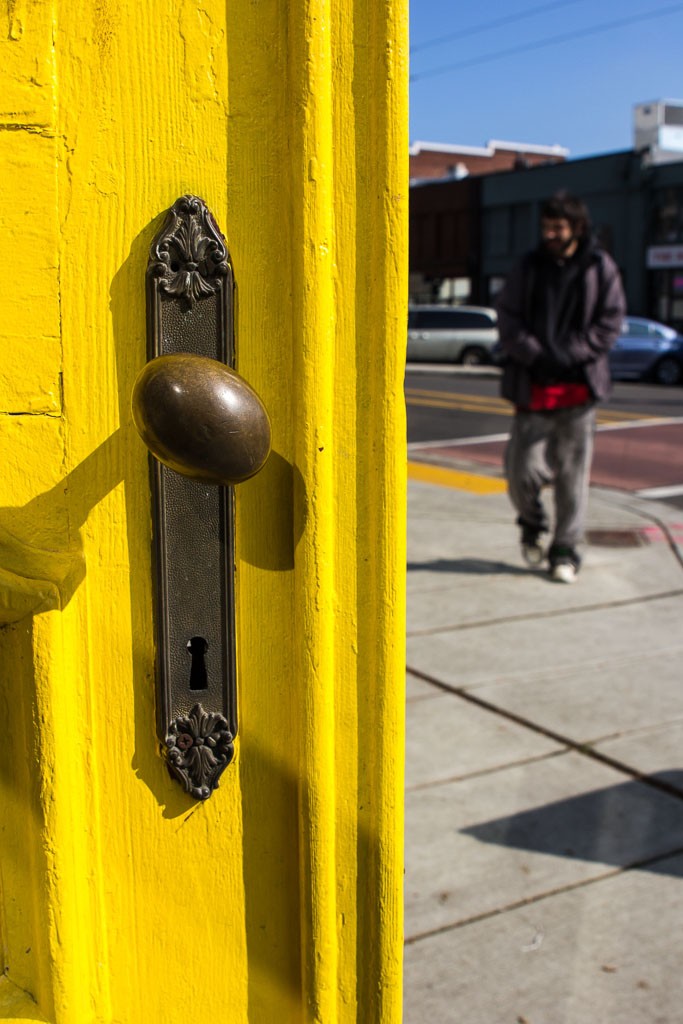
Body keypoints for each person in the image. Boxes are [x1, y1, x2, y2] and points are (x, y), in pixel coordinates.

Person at [495, 191, 626, 583]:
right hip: (533, 389)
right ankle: (533, 524)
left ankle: (565, 550)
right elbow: (508, 317)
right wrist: (537, 355)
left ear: (577, 228)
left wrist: (569, 353)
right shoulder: (529, 267)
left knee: (572, 479)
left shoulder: (600, 267)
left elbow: (611, 321)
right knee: (520, 472)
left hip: (579, 393)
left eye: (558, 227)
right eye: (546, 227)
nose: (550, 234)